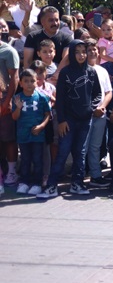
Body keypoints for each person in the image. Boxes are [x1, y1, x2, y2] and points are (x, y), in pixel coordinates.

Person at [37, 40, 103, 199]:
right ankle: (51, 185)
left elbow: (98, 94)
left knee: (80, 152)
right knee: (63, 151)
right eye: (77, 52)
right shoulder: (65, 72)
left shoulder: (91, 72)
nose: (81, 55)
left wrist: (92, 108)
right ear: (72, 54)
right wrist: (62, 121)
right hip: (68, 121)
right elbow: (60, 99)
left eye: (84, 51)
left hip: (86, 119)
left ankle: (77, 183)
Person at [11, 68, 51, 196]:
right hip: (23, 135)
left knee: (37, 159)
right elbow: (14, 117)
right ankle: (24, 182)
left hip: (38, 135)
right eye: (26, 81)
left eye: (32, 81)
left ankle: (37, 183)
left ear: (37, 82)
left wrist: (41, 126)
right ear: (21, 83)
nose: (29, 84)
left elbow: (47, 114)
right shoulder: (17, 98)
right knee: (25, 159)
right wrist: (18, 108)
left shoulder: (42, 97)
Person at [83, 39, 113, 188]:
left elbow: (108, 92)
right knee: (83, 146)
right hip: (84, 114)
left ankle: (95, 175)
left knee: (95, 146)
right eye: (89, 50)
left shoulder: (102, 70)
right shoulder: (80, 70)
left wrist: (102, 107)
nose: (93, 52)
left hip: (100, 113)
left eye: (94, 49)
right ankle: (79, 175)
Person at [23, 5, 71, 72]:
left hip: (59, 76)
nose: (55, 23)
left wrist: (55, 76)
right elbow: (27, 62)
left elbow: (65, 60)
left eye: (57, 20)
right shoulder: (32, 37)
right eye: (51, 20)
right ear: (42, 22)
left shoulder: (67, 38)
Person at [0, 23, 19, 186]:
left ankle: (12, 172)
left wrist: (7, 102)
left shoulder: (8, 51)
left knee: (8, 138)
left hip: (3, 100)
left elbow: (15, 78)